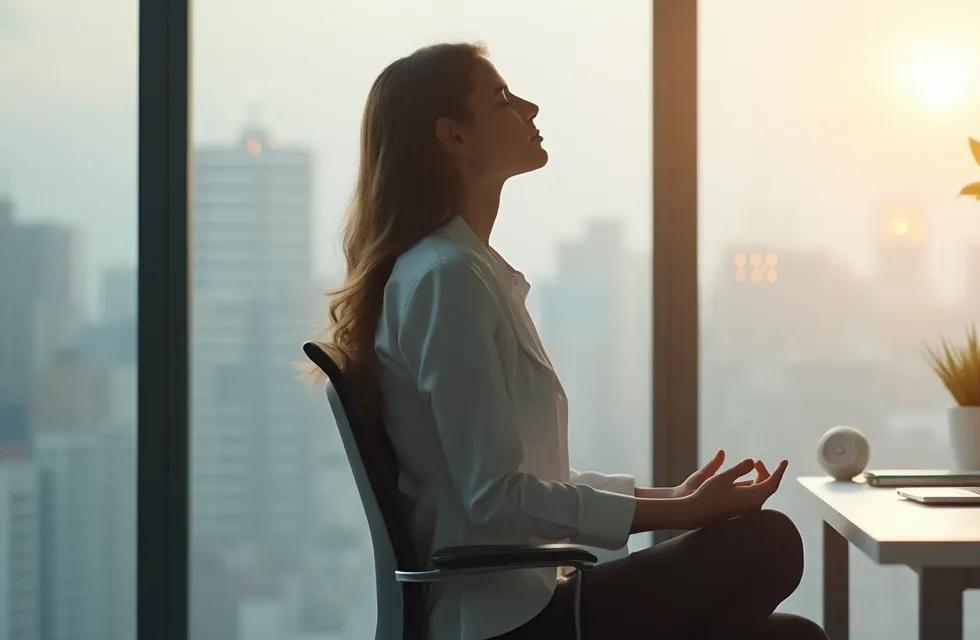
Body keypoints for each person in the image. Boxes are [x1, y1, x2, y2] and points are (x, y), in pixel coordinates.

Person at [317, 42, 827, 640]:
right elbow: (497, 499)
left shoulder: (465, 271)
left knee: (794, 636)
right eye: (503, 99)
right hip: (505, 620)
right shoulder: (446, 279)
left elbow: (526, 476)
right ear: (453, 136)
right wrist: (682, 513)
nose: (530, 109)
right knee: (769, 544)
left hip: (531, 598)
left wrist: (672, 495)